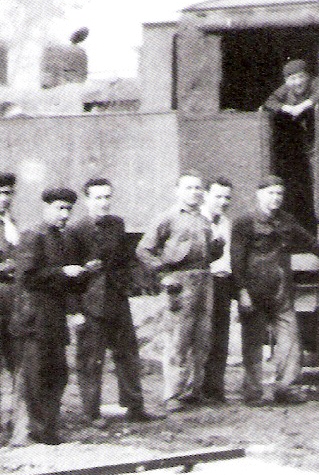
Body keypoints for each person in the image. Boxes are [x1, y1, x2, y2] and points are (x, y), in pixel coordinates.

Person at [231, 176, 319, 405]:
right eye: (271, 193)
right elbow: (237, 261)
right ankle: (253, 392)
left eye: (279, 194)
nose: (275, 198)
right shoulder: (244, 223)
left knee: (290, 340)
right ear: (259, 194)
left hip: (281, 291)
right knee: (253, 342)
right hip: (254, 290)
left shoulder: (287, 221)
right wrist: (242, 291)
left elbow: (312, 243)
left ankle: (286, 388)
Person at [12, 187, 98, 444]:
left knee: (57, 373)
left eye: (69, 209)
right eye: (59, 208)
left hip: (54, 318)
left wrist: (85, 273)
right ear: (46, 208)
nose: (64, 214)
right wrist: (63, 272)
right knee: (37, 376)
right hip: (33, 318)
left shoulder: (64, 239)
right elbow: (27, 276)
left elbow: (67, 283)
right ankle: (40, 432)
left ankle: (48, 427)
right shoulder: (32, 235)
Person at [69, 178, 153, 426]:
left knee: (128, 354)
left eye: (107, 197)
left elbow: (124, 260)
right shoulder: (76, 229)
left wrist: (130, 282)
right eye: (98, 197)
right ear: (87, 200)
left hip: (117, 298)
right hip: (91, 301)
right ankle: (91, 411)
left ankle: (135, 407)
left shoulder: (117, 224)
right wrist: (75, 309)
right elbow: (72, 275)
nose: (104, 202)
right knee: (91, 358)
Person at [136, 171, 213, 413]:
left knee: (202, 337)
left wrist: (217, 249)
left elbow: (210, 253)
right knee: (178, 337)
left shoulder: (204, 220)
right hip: (178, 281)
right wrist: (163, 274)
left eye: (199, 188)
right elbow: (144, 250)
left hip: (203, 278)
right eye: (189, 188)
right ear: (177, 191)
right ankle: (173, 393)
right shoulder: (167, 218)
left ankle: (193, 390)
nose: (195, 192)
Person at [261, 59, 319, 234]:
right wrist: (286, 108)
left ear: (307, 76)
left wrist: (303, 105)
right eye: (292, 79)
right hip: (301, 141)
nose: (297, 82)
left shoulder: (317, 83)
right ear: (287, 81)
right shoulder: (286, 89)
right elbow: (270, 101)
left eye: (301, 77)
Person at [0, 172, 30, 446]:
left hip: (13, 301)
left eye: (8, 193)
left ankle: (18, 427)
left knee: (18, 362)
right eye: (0, 193)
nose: (4, 199)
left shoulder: (13, 224)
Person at [199, 177, 234, 404]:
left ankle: (215, 388)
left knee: (220, 336)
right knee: (202, 336)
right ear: (206, 195)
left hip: (223, 283)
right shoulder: (197, 221)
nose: (223, 202)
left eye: (227, 197)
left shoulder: (226, 223)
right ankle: (197, 389)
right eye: (218, 196)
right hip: (203, 282)